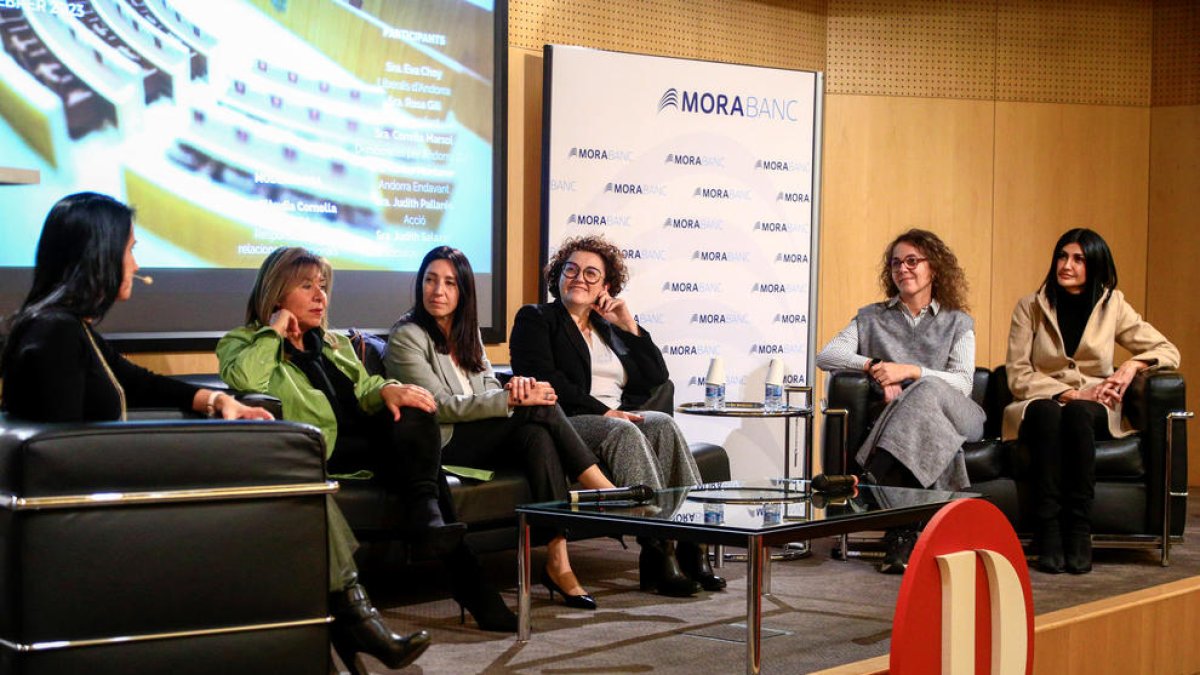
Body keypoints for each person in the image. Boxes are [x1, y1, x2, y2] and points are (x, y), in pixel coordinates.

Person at [0, 193, 429, 674]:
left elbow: (138, 381)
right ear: (98, 256)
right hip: (93, 518)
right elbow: (62, 455)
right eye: (131, 250)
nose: (137, 264)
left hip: (104, 494)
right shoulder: (53, 334)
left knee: (290, 477)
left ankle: (346, 622)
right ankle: (355, 618)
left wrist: (214, 400)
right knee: (287, 474)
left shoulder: (67, 328)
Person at [217, 246, 516, 633]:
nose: (320, 296)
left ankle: (433, 525)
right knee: (426, 477)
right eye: (306, 286)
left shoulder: (333, 343)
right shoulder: (241, 342)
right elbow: (245, 380)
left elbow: (366, 385)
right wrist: (273, 331)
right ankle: (470, 582)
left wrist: (390, 389)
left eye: (322, 286)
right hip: (328, 449)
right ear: (275, 293)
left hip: (371, 444)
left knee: (415, 407)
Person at [388, 246, 619, 610]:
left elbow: (490, 388)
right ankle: (607, 495)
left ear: (463, 290)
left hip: (483, 433)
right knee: (539, 410)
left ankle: (558, 560)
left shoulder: (468, 334)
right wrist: (511, 402)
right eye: (430, 280)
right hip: (443, 441)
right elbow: (437, 406)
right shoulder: (407, 336)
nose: (438, 291)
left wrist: (514, 390)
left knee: (537, 432)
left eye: (449, 282)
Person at [509, 234, 723, 596]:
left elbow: (656, 375)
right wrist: (606, 411)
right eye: (571, 270)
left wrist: (629, 324)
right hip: (567, 419)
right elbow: (548, 379)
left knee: (664, 424)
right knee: (624, 432)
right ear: (558, 276)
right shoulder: (538, 318)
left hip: (613, 414)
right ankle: (657, 547)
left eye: (591, 274)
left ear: (605, 287)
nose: (579, 278)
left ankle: (692, 541)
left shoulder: (608, 327)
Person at [1004, 228, 1179, 575]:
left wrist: (1130, 366)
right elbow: (1017, 373)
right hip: (1040, 399)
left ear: (1095, 264)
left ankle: (1079, 529)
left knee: (1080, 415)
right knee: (1047, 412)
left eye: (1078, 259)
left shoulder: (1113, 304)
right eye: (1062, 256)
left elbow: (1167, 350)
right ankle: (1049, 529)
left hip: (1094, 405)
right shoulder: (1031, 306)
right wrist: (1067, 392)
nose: (1066, 265)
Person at [816, 228, 985, 573]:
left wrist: (909, 372)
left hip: (961, 416)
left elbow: (963, 384)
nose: (903, 269)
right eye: (896, 263)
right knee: (920, 410)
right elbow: (827, 355)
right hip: (914, 426)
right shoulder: (872, 317)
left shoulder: (958, 321)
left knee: (926, 389)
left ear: (933, 268)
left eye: (912, 261)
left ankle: (868, 479)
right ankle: (901, 536)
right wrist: (874, 365)